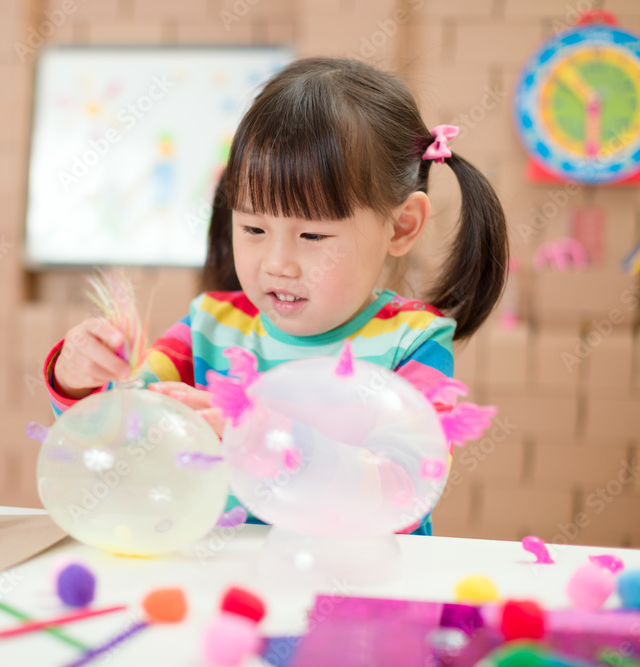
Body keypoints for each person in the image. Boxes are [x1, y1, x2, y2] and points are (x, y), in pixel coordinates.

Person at [42, 58, 508, 536]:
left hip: (353, 588)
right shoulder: (208, 327)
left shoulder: (412, 342)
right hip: (223, 587)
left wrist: (265, 438)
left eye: (311, 236)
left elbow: (405, 490)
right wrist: (81, 379)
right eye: (254, 228)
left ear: (402, 225)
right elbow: (123, 429)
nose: (276, 263)